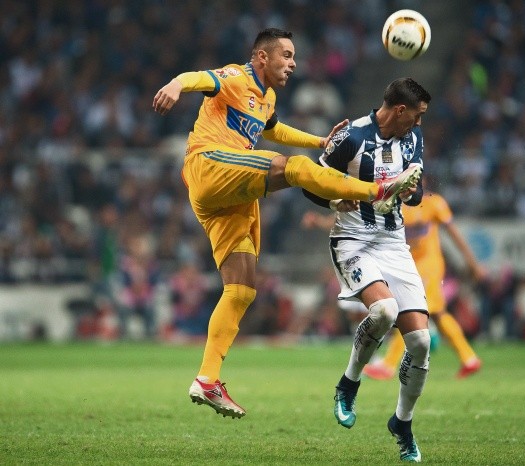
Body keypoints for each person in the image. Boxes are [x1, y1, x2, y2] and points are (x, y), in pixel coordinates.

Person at [152, 28, 421, 420]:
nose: (293, 63)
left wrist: (320, 142)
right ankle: (378, 191)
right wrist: (176, 85)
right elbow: (202, 79)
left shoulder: (267, 98)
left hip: (228, 194)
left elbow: (274, 129)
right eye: (287, 55)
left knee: (241, 289)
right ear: (263, 57)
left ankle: (207, 378)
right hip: (210, 165)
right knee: (292, 168)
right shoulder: (237, 77)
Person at [302, 77, 432, 462]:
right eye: (417, 116)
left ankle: (402, 423)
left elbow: (417, 193)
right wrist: (333, 201)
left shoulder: (411, 138)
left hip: (393, 243)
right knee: (384, 311)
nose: (420, 123)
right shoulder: (352, 136)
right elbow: (310, 182)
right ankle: (349, 383)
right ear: (400, 110)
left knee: (421, 343)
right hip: (353, 240)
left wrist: (409, 192)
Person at [363, 185, 487, 380]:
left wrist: (472, 264)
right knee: (438, 314)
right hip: (409, 266)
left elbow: (454, 234)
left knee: (408, 310)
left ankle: (388, 365)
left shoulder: (433, 203)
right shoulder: (394, 205)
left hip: (429, 266)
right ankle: (469, 358)